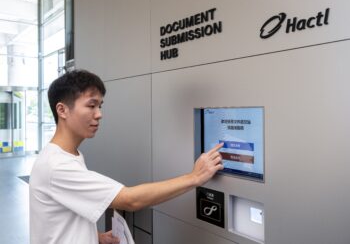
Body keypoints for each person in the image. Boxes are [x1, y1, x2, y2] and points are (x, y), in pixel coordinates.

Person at [29, 69, 223, 244]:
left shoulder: (70, 155)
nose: (99, 114)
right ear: (62, 110)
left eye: (100, 106)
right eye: (91, 105)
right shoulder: (57, 166)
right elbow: (130, 200)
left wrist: (96, 237)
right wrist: (194, 177)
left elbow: (60, 220)